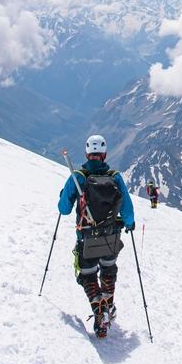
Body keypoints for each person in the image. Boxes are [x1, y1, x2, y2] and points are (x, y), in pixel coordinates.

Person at [58, 134, 135, 338]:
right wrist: (130, 223)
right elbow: (127, 208)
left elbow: (63, 209)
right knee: (109, 269)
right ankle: (108, 304)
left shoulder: (78, 177)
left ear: (87, 154)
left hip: (87, 239)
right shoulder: (115, 176)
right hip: (111, 236)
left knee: (88, 275)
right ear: (104, 154)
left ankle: (98, 307)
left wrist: (63, 195)